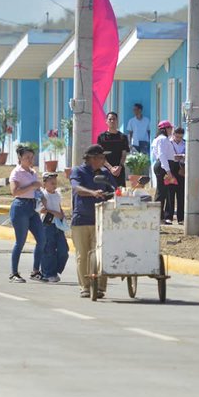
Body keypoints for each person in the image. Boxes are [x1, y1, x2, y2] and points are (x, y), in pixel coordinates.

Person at [70, 144, 116, 298]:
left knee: (101, 254)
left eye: (104, 157)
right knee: (83, 255)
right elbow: (76, 188)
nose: (103, 160)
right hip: (82, 219)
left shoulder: (105, 173)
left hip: (102, 219)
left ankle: (100, 287)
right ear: (91, 159)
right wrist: (92, 193)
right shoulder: (78, 171)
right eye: (101, 157)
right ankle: (85, 286)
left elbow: (114, 190)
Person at [8, 145, 44, 283]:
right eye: (26, 157)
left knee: (42, 239)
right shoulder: (16, 173)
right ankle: (14, 273)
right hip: (20, 207)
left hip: (32, 206)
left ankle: (35, 271)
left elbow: (36, 189)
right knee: (20, 241)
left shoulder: (32, 172)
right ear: (20, 159)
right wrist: (32, 186)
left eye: (31, 157)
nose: (30, 160)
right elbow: (15, 191)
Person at [35, 171, 69, 284]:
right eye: (51, 183)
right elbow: (41, 209)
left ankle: (56, 270)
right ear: (44, 183)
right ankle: (48, 273)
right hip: (47, 225)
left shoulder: (57, 194)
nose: (54, 185)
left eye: (55, 182)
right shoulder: (42, 195)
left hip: (58, 225)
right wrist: (54, 213)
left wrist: (61, 215)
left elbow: (59, 208)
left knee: (64, 250)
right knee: (48, 250)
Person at [151, 121, 180, 223]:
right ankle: (157, 216)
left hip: (164, 166)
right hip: (164, 167)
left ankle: (159, 216)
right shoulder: (162, 139)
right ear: (165, 129)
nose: (171, 130)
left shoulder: (160, 139)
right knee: (161, 192)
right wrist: (168, 171)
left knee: (162, 192)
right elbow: (162, 155)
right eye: (169, 128)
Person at [97, 111, 130, 183]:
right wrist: (110, 168)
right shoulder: (101, 137)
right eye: (110, 119)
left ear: (117, 121)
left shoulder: (123, 137)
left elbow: (124, 154)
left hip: (119, 171)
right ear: (106, 121)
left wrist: (119, 167)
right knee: (106, 193)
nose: (112, 121)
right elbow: (100, 155)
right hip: (105, 170)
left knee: (120, 192)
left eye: (114, 119)